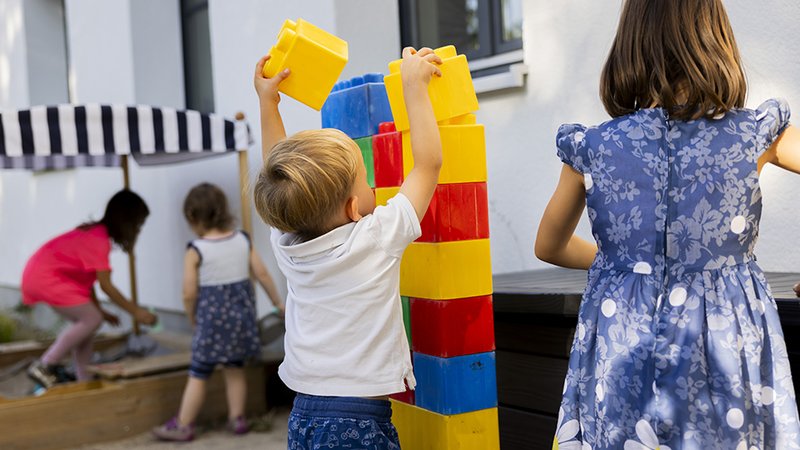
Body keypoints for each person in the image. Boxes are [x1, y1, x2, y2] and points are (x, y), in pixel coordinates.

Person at [536, 1, 800, 448]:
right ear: (715, 40)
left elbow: (549, 246)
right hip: (722, 348)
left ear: (631, 46)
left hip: (622, 346)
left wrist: (624, 266)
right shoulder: (752, 134)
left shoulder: (595, 147)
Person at [252, 46, 442, 449]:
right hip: (357, 423)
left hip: (303, 415)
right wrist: (415, 87)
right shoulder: (374, 238)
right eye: (364, 178)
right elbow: (428, 165)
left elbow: (281, 178)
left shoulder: (287, 242)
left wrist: (269, 106)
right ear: (354, 208)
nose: (373, 184)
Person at [152, 182, 284, 442]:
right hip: (241, 323)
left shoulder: (196, 249)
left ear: (192, 216)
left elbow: (189, 293)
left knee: (199, 372)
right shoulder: (242, 240)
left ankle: (183, 424)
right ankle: (237, 419)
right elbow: (262, 273)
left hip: (211, 324)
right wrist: (278, 303)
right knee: (235, 369)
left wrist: (192, 318)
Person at [22, 189, 158, 388]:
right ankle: (45, 364)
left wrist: (102, 312)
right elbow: (106, 286)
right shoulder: (98, 240)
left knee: (88, 323)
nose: (138, 229)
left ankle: (84, 380)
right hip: (46, 278)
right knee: (91, 319)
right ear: (127, 220)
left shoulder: (95, 234)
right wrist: (136, 312)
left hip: (42, 275)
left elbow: (88, 284)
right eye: (138, 224)